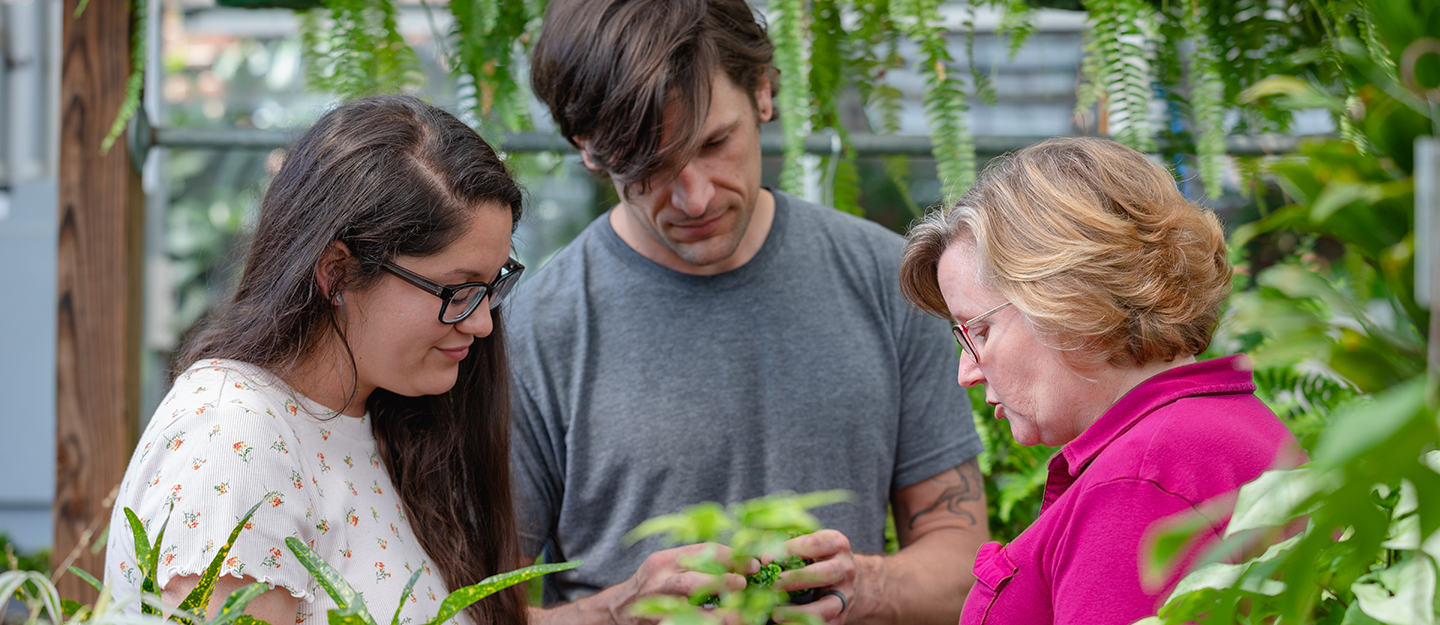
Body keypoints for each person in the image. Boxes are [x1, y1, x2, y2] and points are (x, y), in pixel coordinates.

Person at [506, 1, 988, 624]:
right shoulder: (531, 332)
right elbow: (476, 610)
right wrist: (620, 613)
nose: (696, 195)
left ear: (762, 93)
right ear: (589, 150)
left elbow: (963, 566)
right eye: (649, 167)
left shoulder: (888, 280)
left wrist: (862, 587)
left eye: (715, 142)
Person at [104, 95, 529, 625]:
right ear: (338, 272)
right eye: (457, 290)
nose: (482, 321)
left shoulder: (371, 414)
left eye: (492, 286)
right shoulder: (233, 435)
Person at [898, 137, 1304, 624]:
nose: (967, 372)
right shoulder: (1207, 433)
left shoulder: (1143, 479)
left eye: (980, 331)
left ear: (1068, 297)